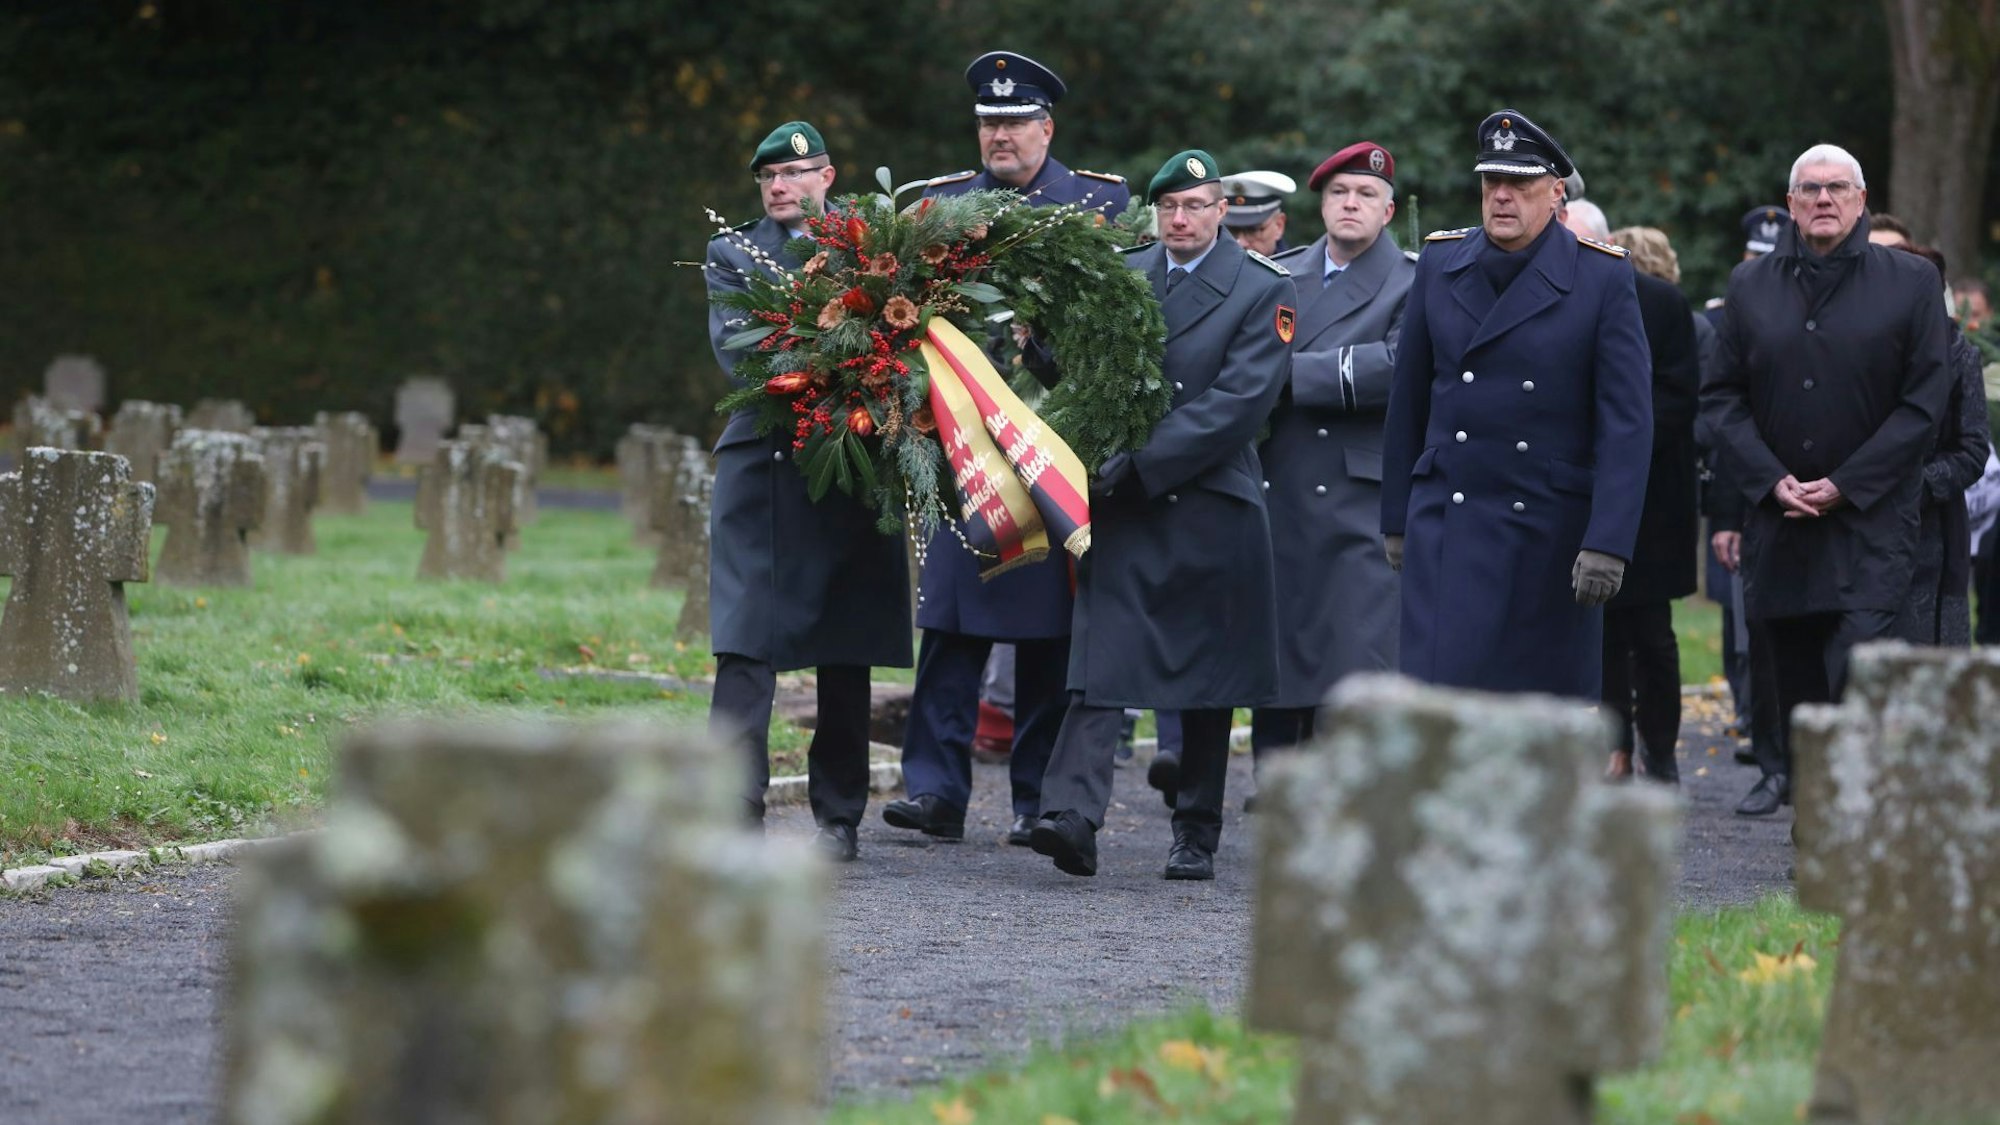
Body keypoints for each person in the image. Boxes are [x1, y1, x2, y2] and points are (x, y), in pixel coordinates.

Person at [882, 51, 1131, 849]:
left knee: (1048, 635)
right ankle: (935, 789)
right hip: (964, 445)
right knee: (951, 622)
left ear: (1046, 129)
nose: (1001, 135)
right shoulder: (940, 205)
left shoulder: (1098, 203)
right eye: (990, 122)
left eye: (1017, 121)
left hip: (1052, 442)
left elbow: (1119, 326)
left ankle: (1035, 798)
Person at [1030, 149, 1291, 881]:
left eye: (1195, 206)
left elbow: (1238, 404)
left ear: (1221, 212)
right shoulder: (1124, 273)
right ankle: (1071, 814)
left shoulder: (1262, 287)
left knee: (1209, 674)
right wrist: (1043, 346)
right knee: (1100, 659)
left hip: (1210, 500)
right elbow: (1087, 371)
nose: (1180, 219)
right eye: (1169, 206)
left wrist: (1143, 459)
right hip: (1124, 503)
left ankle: (1196, 830)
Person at [1700, 143, 1954, 818]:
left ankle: (1856, 824)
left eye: (1837, 188)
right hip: (1780, 525)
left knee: (1856, 678)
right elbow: (1721, 396)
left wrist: (1847, 482)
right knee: (1794, 688)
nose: (1823, 199)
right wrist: (1768, 478)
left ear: (1861, 200)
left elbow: (1924, 403)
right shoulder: (1750, 285)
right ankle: (1813, 829)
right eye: (1809, 189)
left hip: (1870, 525)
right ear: (1790, 204)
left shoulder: (1910, 282)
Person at [1380, 110, 1652, 700]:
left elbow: (1626, 425)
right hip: (1449, 522)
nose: (1502, 196)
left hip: (1548, 533)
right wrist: (1396, 517)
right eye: (1491, 182)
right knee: (1440, 712)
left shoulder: (1600, 277)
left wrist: (1608, 541)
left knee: (1537, 718)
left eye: (1520, 183)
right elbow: (1409, 400)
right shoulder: (1440, 263)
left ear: (1556, 194)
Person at [704, 121, 913, 861]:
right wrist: (848, 362)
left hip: (852, 456)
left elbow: (910, 341)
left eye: (794, 174)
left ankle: (839, 817)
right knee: (745, 639)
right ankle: (731, 808)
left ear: (828, 177)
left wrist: (875, 376)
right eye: (768, 178)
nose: (779, 187)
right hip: (764, 462)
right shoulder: (734, 252)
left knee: (844, 640)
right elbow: (744, 355)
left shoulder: (874, 246)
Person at [1254, 141, 1413, 763]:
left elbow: (1399, 369)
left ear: (1388, 211)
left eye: (1366, 194)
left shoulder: (1413, 281)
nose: (1351, 203)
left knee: (1353, 666)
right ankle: (1273, 794)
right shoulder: (1278, 274)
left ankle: (1347, 804)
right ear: (1322, 205)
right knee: (1277, 663)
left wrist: (1289, 376)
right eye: (1340, 193)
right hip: (1279, 485)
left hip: (1358, 501)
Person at [1598, 222, 1701, 785]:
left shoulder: (1663, 305)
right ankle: (1613, 747)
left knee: (1651, 633)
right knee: (1603, 631)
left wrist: (1621, 443)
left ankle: (1659, 749)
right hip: (1590, 491)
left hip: (1653, 496)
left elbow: (1679, 395)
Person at [1886, 242, 1990, 646]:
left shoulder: (1959, 354)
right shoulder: (1855, 349)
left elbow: (1973, 448)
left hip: (1931, 535)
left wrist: (1915, 487)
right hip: (1856, 530)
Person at [1221, 170, 1296, 257]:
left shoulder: (1298, 266)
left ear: (1279, 226)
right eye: (1231, 231)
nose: (1241, 243)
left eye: (1252, 230)